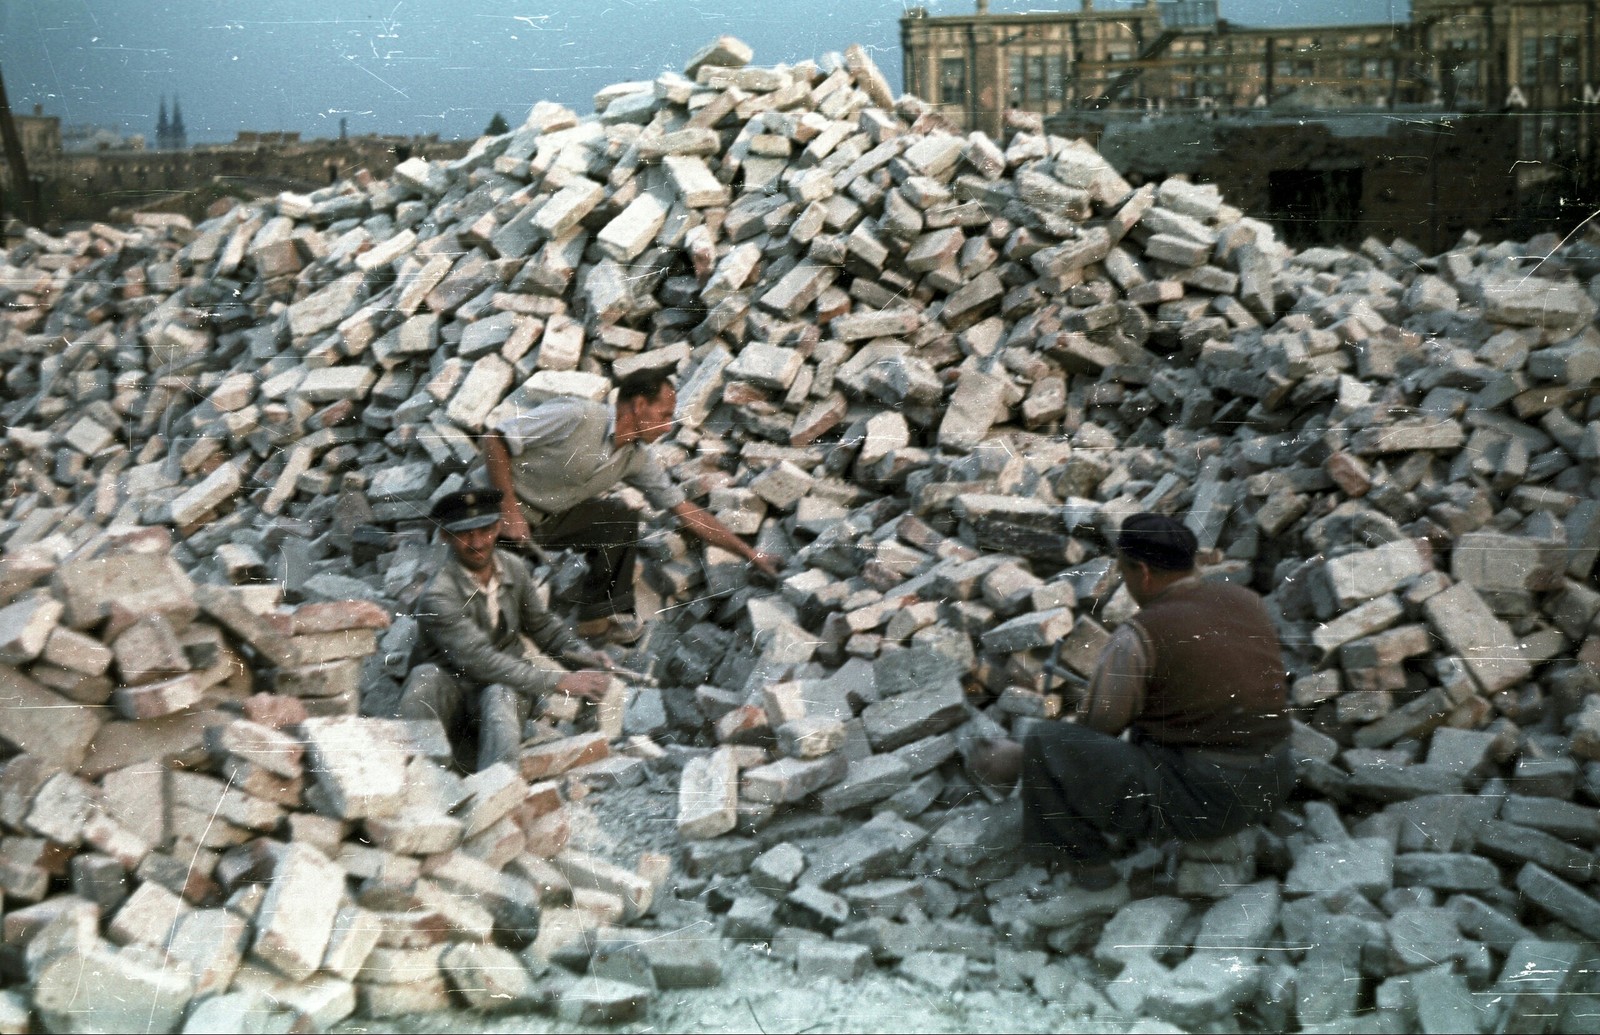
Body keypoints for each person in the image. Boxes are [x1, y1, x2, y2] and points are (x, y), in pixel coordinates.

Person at [971, 513, 1294, 889]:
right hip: (1276, 780)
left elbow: (1096, 731)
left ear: (1142, 572)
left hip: (1212, 800)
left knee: (1047, 744)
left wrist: (1023, 758)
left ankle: (1089, 872)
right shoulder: (1246, 601)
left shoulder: (1140, 634)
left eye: (1122, 573)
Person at [482, 369, 780, 646]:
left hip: (543, 522)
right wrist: (508, 508)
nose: (667, 426)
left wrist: (749, 554)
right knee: (485, 620)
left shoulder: (636, 458)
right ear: (639, 405)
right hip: (490, 510)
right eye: (664, 415)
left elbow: (686, 511)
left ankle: (596, 621)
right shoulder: (579, 415)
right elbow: (495, 439)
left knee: (619, 517)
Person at [406, 488, 616, 771]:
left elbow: (542, 627)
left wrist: (581, 654)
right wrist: (560, 682)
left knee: (501, 691)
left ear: (497, 527)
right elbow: (480, 660)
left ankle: (500, 790)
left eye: (485, 530)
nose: (477, 542)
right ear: (445, 536)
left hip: (502, 693)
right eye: (464, 534)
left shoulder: (513, 568)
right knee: (424, 677)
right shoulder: (438, 594)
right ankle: (419, 777)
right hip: (455, 693)